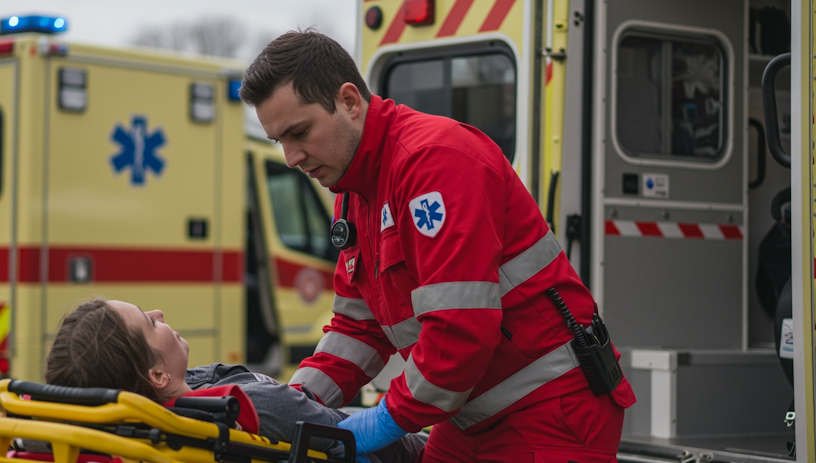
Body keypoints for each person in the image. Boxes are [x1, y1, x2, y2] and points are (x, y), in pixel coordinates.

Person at [239, 29, 636, 462]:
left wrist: (387, 418)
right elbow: (359, 328)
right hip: (469, 417)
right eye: (281, 141)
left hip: (552, 411)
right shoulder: (355, 195)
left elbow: (460, 327)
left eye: (300, 132)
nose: (291, 158)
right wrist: (293, 406)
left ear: (350, 102)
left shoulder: (435, 162)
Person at [44, 298, 425, 463]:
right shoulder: (246, 407)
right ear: (157, 376)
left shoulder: (144, 423)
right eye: (149, 322)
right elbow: (392, 448)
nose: (159, 312)